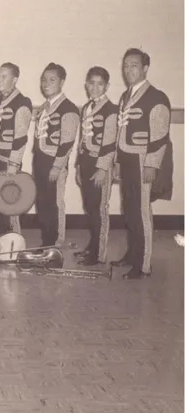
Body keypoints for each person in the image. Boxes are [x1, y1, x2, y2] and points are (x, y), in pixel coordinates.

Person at [111, 48, 172, 279]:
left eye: (133, 65)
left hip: (142, 160)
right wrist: (117, 160)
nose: (128, 70)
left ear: (145, 68)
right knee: (129, 210)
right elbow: (120, 132)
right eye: (125, 65)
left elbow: (160, 135)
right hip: (126, 159)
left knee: (142, 211)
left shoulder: (157, 97)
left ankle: (143, 264)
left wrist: (152, 164)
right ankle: (132, 254)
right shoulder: (125, 96)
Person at [74, 67, 118, 266]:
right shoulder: (86, 108)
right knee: (90, 207)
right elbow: (82, 140)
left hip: (100, 164)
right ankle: (92, 247)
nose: (94, 87)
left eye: (100, 84)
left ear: (107, 86)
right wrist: (77, 166)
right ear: (86, 84)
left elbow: (110, 143)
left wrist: (102, 168)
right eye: (91, 82)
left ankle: (98, 254)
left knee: (100, 209)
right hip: (86, 163)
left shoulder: (111, 110)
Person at [33, 63, 80, 247]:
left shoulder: (68, 108)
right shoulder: (45, 106)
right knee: (43, 202)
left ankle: (56, 243)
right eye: (44, 80)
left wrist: (57, 166)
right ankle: (47, 241)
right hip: (41, 160)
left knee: (55, 202)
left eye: (52, 80)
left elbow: (67, 142)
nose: (46, 84)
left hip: (54, 163)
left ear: (62, 82)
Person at [0, 62, 32, 236]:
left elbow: (21, 138)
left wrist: (14, 164)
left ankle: (13, 241)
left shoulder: (23, 102)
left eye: (4, 76)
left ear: (15, 79)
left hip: (8, 162)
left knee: (9, 203)